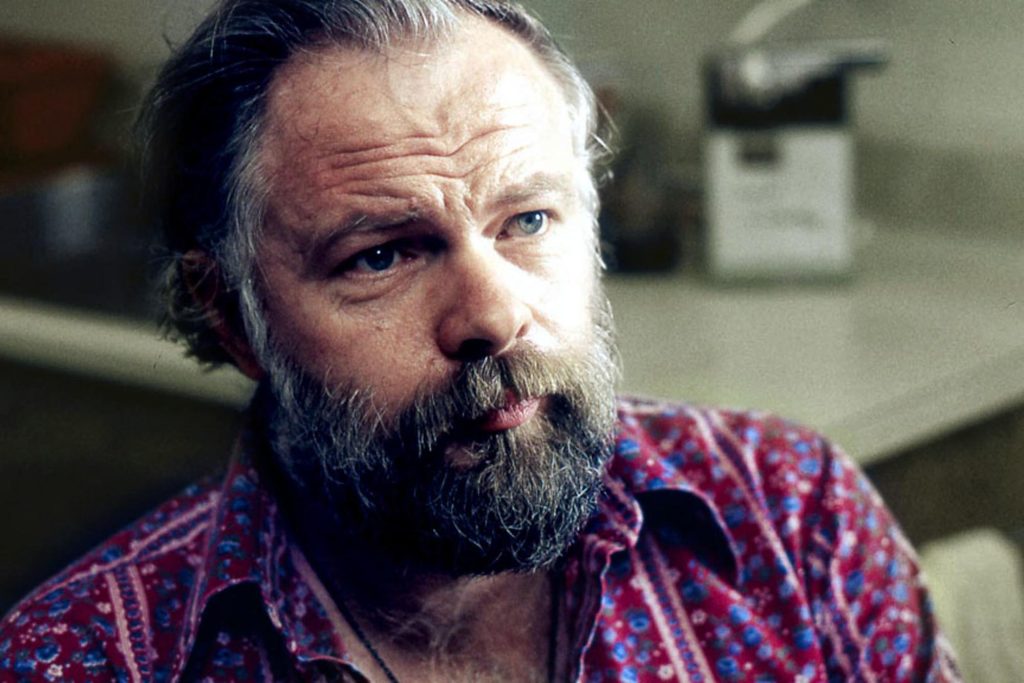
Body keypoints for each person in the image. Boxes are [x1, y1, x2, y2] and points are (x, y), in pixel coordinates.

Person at [0, 1, 960, 681]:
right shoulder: (82, 659)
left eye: (529, 220)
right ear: (233, 317)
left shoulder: (794, 516)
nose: (494, 316)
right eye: (381, 255)